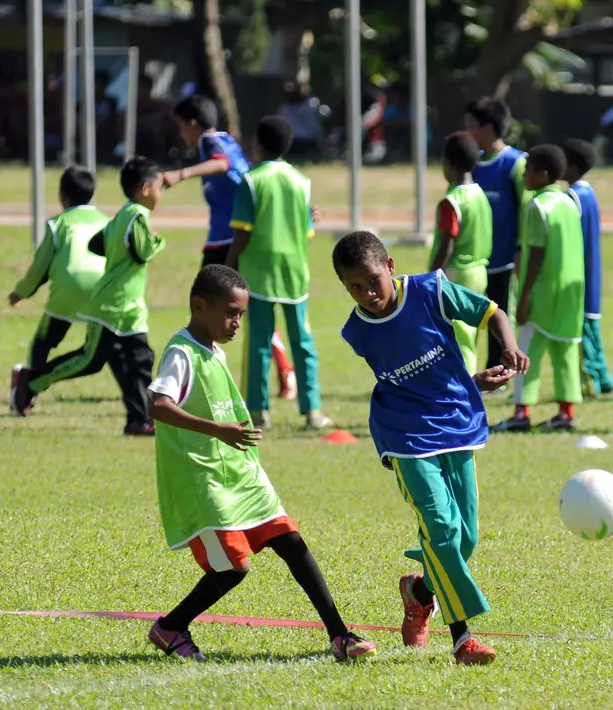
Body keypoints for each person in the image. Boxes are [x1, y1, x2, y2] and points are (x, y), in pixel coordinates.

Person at [144, 264, 378, 663]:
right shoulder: (182, 352)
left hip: (240, 475)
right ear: (199, 306)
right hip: (205, 480)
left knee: (291, 541)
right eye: (230, 313)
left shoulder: (212, 349)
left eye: (242, 314)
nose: (237, 323)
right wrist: (218, 430)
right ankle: (170, 626)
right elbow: (158, 406)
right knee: (234, 568)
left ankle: (340, 635)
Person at [332, 231, 530, 665]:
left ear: (390, 265)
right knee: (441, 528)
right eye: (354, 287)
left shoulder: (431, 291)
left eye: (372, 281)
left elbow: (491, 312)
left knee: (465, 538)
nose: (367, 294)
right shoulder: (357, 330)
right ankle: (463, 639)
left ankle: (418, 592)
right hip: (403, 435)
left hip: (456, 422)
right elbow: (403, 379)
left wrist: (508, 348)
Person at [11, 157, 164, 436]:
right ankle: (31, 381)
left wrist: (117, 251)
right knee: (89, 361)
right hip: (110, 305)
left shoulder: (120, 215)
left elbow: (97, 244)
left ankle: (139, 420)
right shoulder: (137, 216)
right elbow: (144, 251)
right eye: (159, 187)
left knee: (140, 362)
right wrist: (158, 240)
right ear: (145, 189)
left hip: (131, 307)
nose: (161, 193)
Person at [162, 96, 298, 401]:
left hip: (226, 241)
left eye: (181, 127)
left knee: (207, 309)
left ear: (193, 124)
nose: (180, 134)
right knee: (233, 311)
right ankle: (285, 370)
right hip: (229, 237)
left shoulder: (210, 142)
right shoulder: (226, 140)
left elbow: (221, 165)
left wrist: (180, 174)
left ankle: (198, 374)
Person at [227, 115, 331, 429]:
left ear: (258, 144)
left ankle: (258, 413)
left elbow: (243, 231)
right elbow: (307, 229)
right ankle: (312, 411)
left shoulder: (251, 180)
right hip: (294, 272)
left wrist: (227, 265)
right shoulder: (302, 182)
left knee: (258, 342)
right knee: (302, 341)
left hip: (258, 272)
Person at [491, 145, 585, 432]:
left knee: (525, 350)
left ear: (542, 175)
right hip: (571, 293)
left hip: (543, 292)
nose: (523, 176)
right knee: (566, 352)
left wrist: (525, 294)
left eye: (527, 169)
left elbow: (538, 254)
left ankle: (521, 414)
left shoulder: (537, 206)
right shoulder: (570, 201)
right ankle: (566, 412)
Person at [8, 166, 110, 371]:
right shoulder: (107, 222)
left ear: (62, 195)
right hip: (103, 289)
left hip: (68, 288)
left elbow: (40, 267)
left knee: (43, 341)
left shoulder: (57, 224)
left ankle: (29, 387)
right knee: (102, 348)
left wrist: (21, 292)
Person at [464, 97, 530, 371]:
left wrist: (521, 248)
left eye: (471, 125)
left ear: (488, 127)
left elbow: (527, 212)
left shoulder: (516, 164)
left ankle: (502, 368)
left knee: (501, 315)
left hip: (505, 258)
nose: (467, 132)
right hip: (476, 261)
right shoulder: (473, 164)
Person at [428, 131, 492, 374]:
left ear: (450, 164)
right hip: (479, 271)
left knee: (460, 336)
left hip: (457, 274)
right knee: (470, 334)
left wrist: (432, 275)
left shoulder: (452, 201)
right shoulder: (480, 194)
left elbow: (447, 243)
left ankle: (465, 391)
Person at [563, 138, 613, 398]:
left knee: (583, 333)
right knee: (592, 330)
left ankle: (591, 383)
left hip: (578, 274)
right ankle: (604, 379)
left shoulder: (572, 197)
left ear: (571, 166)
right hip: (592, 271)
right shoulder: (590, 192)